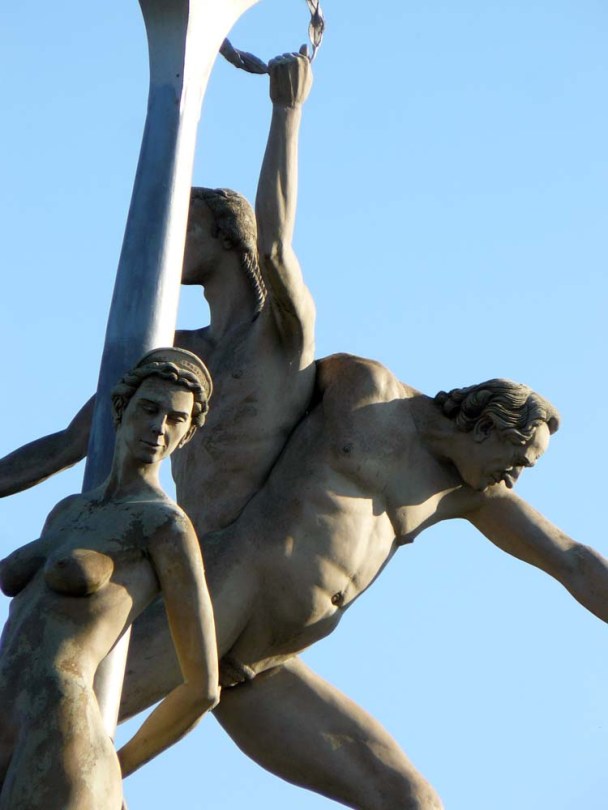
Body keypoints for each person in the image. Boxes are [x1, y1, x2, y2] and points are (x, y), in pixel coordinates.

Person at [120, 358, 608, 810]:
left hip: (264, 665)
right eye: (518, 460)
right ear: (485, 428)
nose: (514, 478)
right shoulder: (367, 388)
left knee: (410, 800)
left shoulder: (473, 492)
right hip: (212, 607)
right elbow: (264, 358)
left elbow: (571, 559)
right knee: (81, 719)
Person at [0, 48, 316, 535]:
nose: (169, 240)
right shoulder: (176, 351)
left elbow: (274, 247)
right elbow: (71, 442)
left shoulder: (281, 331)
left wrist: (286, 111)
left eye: (185, 227)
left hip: (263, 551)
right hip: (193, 547)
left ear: (230, 238)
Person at [0, 348, 219, 810]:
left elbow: (202, 687)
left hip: (59, 731)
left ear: (188, 433)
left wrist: (117, 765)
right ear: (122, 407)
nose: (159, 426)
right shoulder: (67, 512)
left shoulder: (165, 526)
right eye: (150, 409)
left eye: (176, 419)